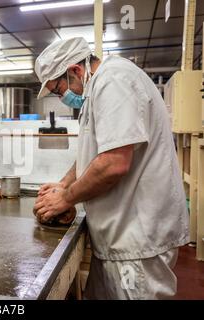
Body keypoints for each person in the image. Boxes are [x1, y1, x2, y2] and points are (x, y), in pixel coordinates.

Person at [33, 37, 189, 299]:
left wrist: (65, 199)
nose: (62, 98)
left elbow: (114, 163)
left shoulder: (114, 81)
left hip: (137, 241)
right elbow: (94, 154)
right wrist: (64, 184)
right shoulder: (95, 91)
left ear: (75, 70)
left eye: (59, 90)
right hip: (117, 240)